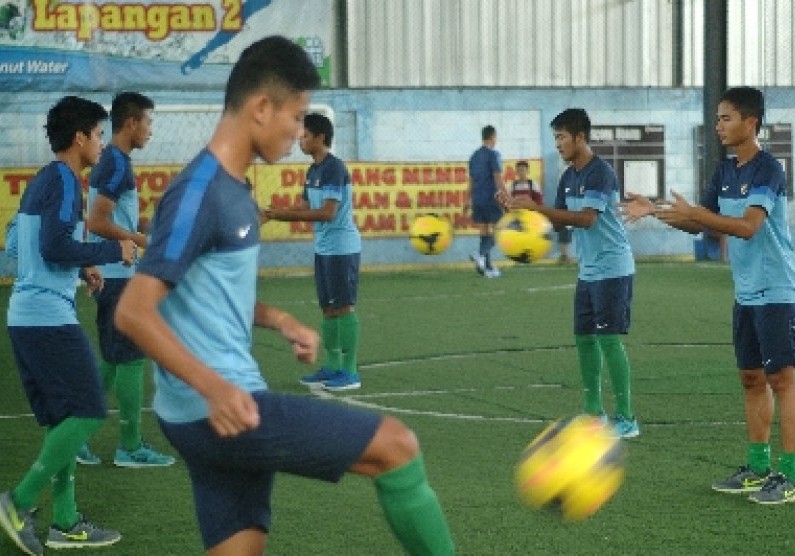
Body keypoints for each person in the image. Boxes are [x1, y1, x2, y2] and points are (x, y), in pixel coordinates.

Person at [114, 36, 455, 555]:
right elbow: (134, 311)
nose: (299, 133)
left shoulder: (231, 191)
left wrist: (278, 320)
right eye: (296, 118)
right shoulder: (199, 192)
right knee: (397, 446)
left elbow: (205, 296)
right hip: (222, 407)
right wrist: (215, 389)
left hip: (209, 411)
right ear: (261, 107)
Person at [622, 86, 795, 504]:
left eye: (726, 118)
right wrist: (654, 211)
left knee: (782, 379)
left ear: (750, 122)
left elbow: (746, 227)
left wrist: (697, 214)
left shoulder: (768, 169)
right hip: (747, 294)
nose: (718, 125)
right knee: (751, 378)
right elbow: (697, 225)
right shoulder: (724, 172)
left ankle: (789, 476)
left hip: (777, 290)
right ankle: (758, 469)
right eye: (718, 118)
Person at [0, 96, 134, 555]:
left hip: (29, 316)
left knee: (63, 418)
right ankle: (17, 503)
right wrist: (110, 253)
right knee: (89, 410)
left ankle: (65, 522)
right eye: (98, 134)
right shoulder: (63, 179)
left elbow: (21, 245)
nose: (101, 143)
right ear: (80, 137)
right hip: (46, 320)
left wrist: (81, 269)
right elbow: (56, 247)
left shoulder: (45, 180)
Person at [500, 108, 639, 439]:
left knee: (608, 339)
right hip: (588, 270)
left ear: (580, 137)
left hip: (613, 268)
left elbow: (587, 218)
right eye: (556, 137)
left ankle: (627, 418)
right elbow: (560, 219)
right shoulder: (569, 176)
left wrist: (537, 208)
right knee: (584, 339)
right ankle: (593, 412)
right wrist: (522, 215)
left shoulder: (599, 173)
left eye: (562, 137)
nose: (558, 144)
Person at [78, 92, 176, 467]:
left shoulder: (113, 162)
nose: (151, 130)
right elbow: (97, 221)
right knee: (132, 358)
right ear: (131, 123)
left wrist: (144, 228)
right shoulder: (117, 163)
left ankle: (78, 436)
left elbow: (108, 219)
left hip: (114, 273)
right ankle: (129, 447)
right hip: (119, 275)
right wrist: (139, 240)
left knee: (115, 359)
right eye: (148, 122)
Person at [261, 113, 362, 391]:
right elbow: (303, 206)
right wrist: (272, 213)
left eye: (305, 135)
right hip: (324, 249)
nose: (300, 140)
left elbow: (327, 214)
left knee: (344, 307)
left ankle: (350, 371)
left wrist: (279, 216)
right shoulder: (313, 170)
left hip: (342, 249)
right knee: (329, 309)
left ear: (320, 137)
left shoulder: (334, 168)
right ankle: (332, 367)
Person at [466, 125, 505, 278]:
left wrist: (467, 200)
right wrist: (506, 196)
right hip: (490, 198)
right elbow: (497, 177)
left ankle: (487, 267)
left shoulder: (474, 156)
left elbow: (471, 181)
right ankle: (480, 254)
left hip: (477, 199)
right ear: (492, 137)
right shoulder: (492, 155)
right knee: (500, 229)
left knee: (484, 232)